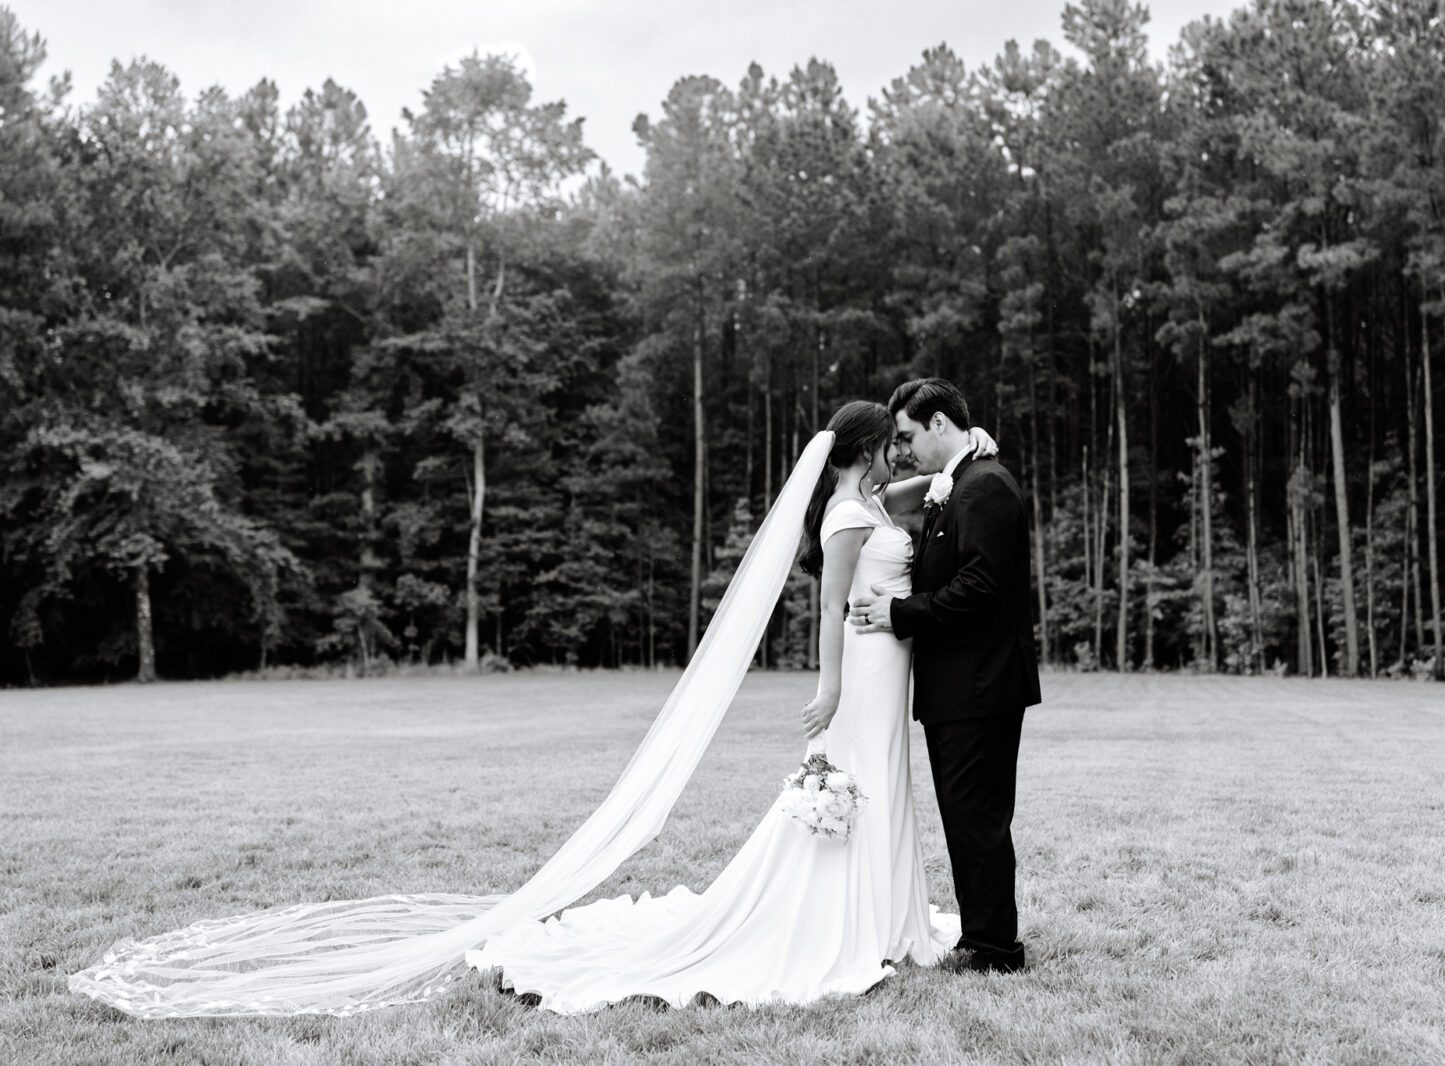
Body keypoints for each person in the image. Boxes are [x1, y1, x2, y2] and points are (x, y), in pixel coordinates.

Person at [68, 401, 998, 1018]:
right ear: (869, 449)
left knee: (885, 786)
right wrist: (827, 686)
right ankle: (848, 923)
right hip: (861, 674)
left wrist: (962, 461)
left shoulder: (878, 501)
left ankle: (887, 919)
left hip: (894, 670)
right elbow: (831, 609)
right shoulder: (845, 518)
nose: (903, 455)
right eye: (894, 445)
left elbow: (917, 495)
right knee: (858, 784)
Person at [848, 378, 1041, 974]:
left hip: (979, 684)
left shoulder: (985, 486)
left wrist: (900, 612)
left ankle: (995, 949)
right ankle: (984, 936)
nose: (903, 449)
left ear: (938, 423)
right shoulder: (957, 482)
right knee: (967, 816)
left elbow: (981, 587)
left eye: (907, 436)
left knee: (977, 817)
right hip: (961, 685)